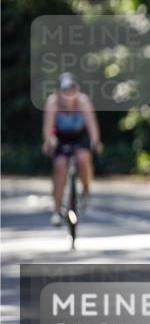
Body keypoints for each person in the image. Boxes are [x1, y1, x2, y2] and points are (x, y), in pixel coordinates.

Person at [42, 72, 102, 225]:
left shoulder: (83, 101)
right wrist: (48, 142)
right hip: (61, 138)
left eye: (71, 91)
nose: (68, 96)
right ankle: (56, 211)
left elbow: (92, 125)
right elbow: (48, 128)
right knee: (60, 166)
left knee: (83, 159)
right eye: (65, 92)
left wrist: (95, 142)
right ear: (58, 92)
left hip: (79, 137)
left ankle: (86, 190)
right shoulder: (52, 103)